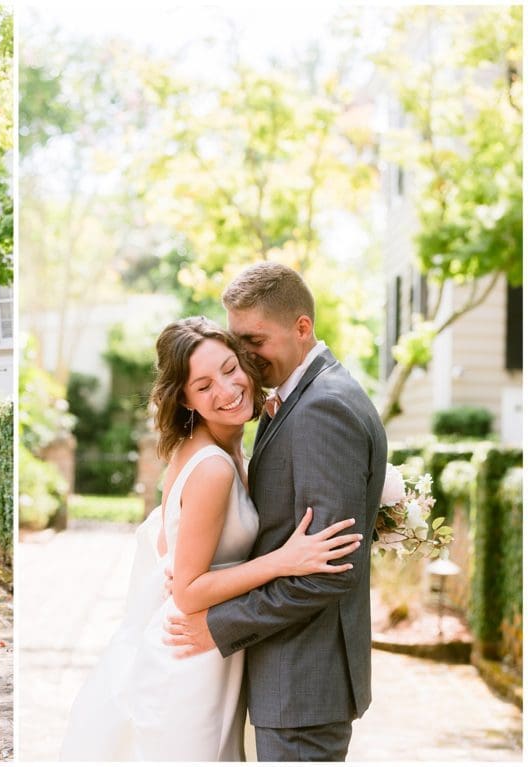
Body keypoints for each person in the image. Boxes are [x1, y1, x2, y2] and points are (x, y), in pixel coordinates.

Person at [60, 317, 363, 761]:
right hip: (190, 665)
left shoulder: (228, 449)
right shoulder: (213, 468)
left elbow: (169, 544)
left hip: (215, 658)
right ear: (184, 399)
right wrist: (284, 561)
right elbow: (186, 591)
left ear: (244, 361)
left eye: (228, 369)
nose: (225, 390)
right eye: (203, 387)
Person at [165, 263, 387, 761]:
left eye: (254, 340)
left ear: (301, 327)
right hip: (282, 679)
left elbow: (329, 571)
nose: (245, 357)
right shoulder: (293, 402)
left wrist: (219, 625)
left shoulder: (321, 410)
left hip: (302, 684)